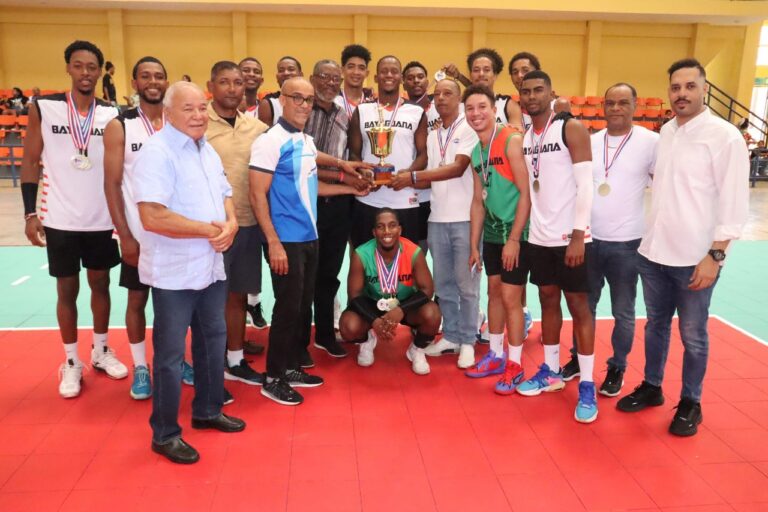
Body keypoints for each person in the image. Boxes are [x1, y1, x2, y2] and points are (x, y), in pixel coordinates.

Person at [616, 59, 749, 437]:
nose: (682, 94)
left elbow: (734, 202)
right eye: (676, 87)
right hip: (655, 253)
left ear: (704, 89)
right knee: (656, 326)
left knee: (693, 334)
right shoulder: (667, 132)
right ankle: (653, 386)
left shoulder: (725, 137)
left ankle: (691, 401)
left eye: (690, 86)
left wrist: (716, 255)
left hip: (696, 258)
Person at [133, 81, 245, 464]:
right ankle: (164, 433)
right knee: (168, 355)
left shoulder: (206, 148)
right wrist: (210, 230)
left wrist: (230, 223)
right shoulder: (156, 153)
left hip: (211, 265)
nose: (199, 115)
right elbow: (152, 216)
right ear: (168, 112)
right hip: (174, 272)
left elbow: (225, 191)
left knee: (213, 340)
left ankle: (208, 410)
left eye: (202, 108)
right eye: (189, 109)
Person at [250, 77, 370, 406]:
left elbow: (314, 180)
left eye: (308, 100)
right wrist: (272, 241)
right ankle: (273, 377)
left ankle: (289, 367)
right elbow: (257, 193)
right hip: (286, 240)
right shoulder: (269, 141)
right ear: (282, 100)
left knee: (301, 307)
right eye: (297, 98)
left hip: (309, 236)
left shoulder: (304, 139)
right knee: (287, 309)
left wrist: (349, 184)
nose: (304, 105)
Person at [21, 40, 124, 399]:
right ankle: (70, 361)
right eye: (78, 66)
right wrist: (31, 212)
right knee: (67, 290)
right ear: (68, 68)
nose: (85, 73)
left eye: (91, 67)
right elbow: (31, 160)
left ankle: (100, 349)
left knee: (101, 285)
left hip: (100, 218)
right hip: (59, 217)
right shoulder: (44, 107)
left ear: (99, 71)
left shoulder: (111, 113)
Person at [559, 83, 658, 397]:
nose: (616, 108)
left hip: (627, 244)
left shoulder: (651, 143)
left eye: (623, 103)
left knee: (623, 312)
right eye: (610, 103)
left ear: (634, 105)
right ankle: (579, 358)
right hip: (589, 240)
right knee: (582, 306)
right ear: (602, 106)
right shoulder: (590, 140)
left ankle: (617, 367)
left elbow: (663, 187)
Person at [515, 70, 598, 424]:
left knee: (579, 306)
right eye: (526, 91)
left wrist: (578, 234)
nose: (532, 96)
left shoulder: (571, 128)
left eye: (538, 90)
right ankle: (550, 369)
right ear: (519, 97)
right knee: (547, 299)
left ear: (551, 93)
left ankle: (588, 384)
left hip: (571, 238)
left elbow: (587, 185)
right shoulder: (526, 138)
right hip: (539, 237)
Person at [395, 78, 480, 369]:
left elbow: (457, 168)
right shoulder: (433, 134)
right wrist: (399, 179)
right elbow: (428, 170)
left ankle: (468, 339)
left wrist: (413, 178)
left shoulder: (469, 129)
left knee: (467, 286)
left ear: (459, 98)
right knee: (443, 285)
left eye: (448, 94)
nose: (441, 99)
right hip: (437, 218)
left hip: (465, 219)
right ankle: (452, 335)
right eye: (438, 95)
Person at [104, 56, 169, 400]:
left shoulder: (176, 123)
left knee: (174, 304)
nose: (153, 81)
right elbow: (112, 184)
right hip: (140, 236)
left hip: (175, 235)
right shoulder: (121, 125)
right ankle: (141, 366)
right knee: (137, 301)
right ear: (134, 83)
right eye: (146, 76)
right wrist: (125, 236)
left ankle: (171, 361)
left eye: (159, 76)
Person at [459, 85, 532, 391]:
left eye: (481, 107)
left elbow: (527, 195)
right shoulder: (477, 152)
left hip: (516, 231)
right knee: (493, 291)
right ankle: (496, 354)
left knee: (511, 298)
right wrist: (474, 244)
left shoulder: (512, 141)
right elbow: (478, 201)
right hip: (491, 232)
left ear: (493, 109)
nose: (475, 114)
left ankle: (515, 365)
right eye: (470, 109)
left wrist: (515, 238)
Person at [205, 61, 269, 386]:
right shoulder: (197, 124)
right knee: (208, 299)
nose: (232, 89)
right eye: (225, 82)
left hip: (246, 223)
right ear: (211, 86)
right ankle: (208, 365)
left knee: (238, 297)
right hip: (209, 229)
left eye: (238, 83)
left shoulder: (256, 128)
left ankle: (235, 360)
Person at [306, 59, 370, 360]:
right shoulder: (302, 113)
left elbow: (351, 155)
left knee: (330, 274)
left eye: (335, 78)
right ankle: (298, 336)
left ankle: (323, 335)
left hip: (339, 206)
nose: (331, 83)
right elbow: (306, 164)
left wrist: (359, 178)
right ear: (312, 78)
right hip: (308, 204)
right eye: (325, 77)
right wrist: (347, 175)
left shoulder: (346, 116)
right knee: (304, 274)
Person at [339, 208, 441, 374]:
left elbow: (427, 288)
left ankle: (417, 349)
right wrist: (374, 321)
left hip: (405, 305)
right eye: (381, 227)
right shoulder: (361, 254)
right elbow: (354, 295)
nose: (387, 231)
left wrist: (401, 310)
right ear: (374, 232)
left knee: (433, 313)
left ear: (399, 229)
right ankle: (367, 340)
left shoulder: (414, 252)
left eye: (392, 226)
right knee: (348, 326)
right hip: (372, 304)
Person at [348, 55, 428, 248]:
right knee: (364, 261)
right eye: (384, 71)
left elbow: (423, 154)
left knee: (406, 265)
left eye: (394, 71)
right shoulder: (362, 110)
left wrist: (408, 175)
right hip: (368, 197)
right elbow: (354, 153)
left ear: (401, 78)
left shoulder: (416, 111)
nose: (389, 75)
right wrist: (364, 172)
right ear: (376, 78)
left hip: (405, 198)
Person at [440, 48, 523, 128]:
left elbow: (516, 135)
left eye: (486, 70)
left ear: (495, 75)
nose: (481, 74)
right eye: (476, 70)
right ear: (470, 75)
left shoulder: (508, 104)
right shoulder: (457, 106)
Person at [402, 61, 436, 254]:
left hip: (437, 193)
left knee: (441, 257)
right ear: (403, 83)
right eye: (410, 77)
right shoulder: (398, 112)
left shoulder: (439, 107)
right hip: (410, 192)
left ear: (427, 81)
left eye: (420, 77)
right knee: (414, 252)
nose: (416, 81)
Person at [508, 52, 570, 132]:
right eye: (515, 72)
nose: (520, 75)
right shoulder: (511, 109)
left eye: (525, 70)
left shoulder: (558, 105)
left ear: (537, 72)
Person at [258, 56, 303, 126]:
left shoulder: (309, 101)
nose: (286, 73)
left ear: (301, 75)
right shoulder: (268, 103)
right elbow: (265, 135)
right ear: (277, 77)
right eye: (281, 70)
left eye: (291, 69)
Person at [336, 44, 375, 119]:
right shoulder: (333, 101)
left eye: (361, 68)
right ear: (342, 70)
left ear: (367, 73)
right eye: (351, 67)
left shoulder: (373, 101)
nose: (356, 72)